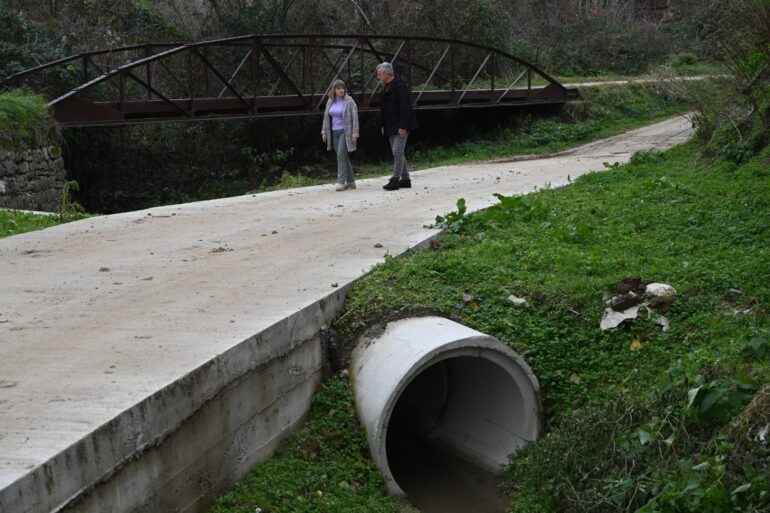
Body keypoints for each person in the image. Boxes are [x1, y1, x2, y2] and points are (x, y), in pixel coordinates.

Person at [376, 62, 418, 191]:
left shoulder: (400, 86)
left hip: (401, 124)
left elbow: (406, 108)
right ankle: (405, 179)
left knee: (397, 152)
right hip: (390, 124)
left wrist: (403, 126)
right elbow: (384, 109)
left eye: (379, 73)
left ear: (387, 73)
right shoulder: (385, 87)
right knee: (398, 152)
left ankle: (395, 180)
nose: (378, 75)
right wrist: (383, 124)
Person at [321, 79, 359, 191]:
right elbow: (326, 117)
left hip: (345, 132)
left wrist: (354, 134)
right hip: (334, 132)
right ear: (334, 90)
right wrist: (324, 131)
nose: (341, 90)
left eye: (342, 88)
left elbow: (355, 119)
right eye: (338, 88)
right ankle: (351, 182)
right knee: (343, 157)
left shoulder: (350, 101)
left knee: (340, 157)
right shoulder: (330, 101)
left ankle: (341, 182)